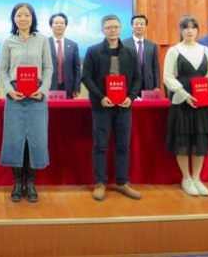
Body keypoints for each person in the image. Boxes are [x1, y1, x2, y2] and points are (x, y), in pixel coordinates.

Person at [82, 14, 143, 201]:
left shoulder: (130, 52)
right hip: (102, 107)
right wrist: (101, 97)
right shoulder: (93, 51)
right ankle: (100, 182)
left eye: (115, 27)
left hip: (124, 107)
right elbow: (86, 77)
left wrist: (131, 98)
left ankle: (123, 182)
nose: (112, 30)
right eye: (108, 27)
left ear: (121, 28)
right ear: (102, 30)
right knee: (100, 146)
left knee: (123, 146)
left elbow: (137, 77)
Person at [0, 2, 53, 203]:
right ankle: (16, 183)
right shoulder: (8, 41)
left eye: (26, 15)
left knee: (35, 140)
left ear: (33, 18)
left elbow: (48, 68)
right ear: (14, 18)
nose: (23, 18)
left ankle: (30, 183)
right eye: (19, 15)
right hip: (15, 96)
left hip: (37, 96)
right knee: (15, 140)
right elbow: (3, 70)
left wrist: (43, 90)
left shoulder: (42, 40)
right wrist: (9, 91)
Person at [163, 14, 208, 197]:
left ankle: (197, 178)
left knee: (199, 140)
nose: (190, 31)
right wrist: (183, 94)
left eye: (193, 27)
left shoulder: (205, 50)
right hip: (183, 101)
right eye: (186, 27)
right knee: (183, 140)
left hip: (203, 101)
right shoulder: (174, 51)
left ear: (197, 30)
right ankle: (186, 178)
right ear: (180, 30)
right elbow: (167, 77)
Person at [122, 14, 161, 94]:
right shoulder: (123, 44)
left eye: (142, 24)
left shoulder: (152, 45)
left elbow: (155, 67)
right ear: (132, 26)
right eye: (136, 24)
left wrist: (157, 86)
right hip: (130, 84)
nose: (139, 26)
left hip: (148, 84)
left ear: (146, 27)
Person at [48, 13, 82, 99]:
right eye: (56, 23)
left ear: (66, 26)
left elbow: (77, 69)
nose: (59, 25)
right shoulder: (45, 43)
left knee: (66, 108)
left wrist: (77, 88)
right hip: (49, 86)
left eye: (62, 23)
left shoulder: (73, 45)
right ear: (51, 25)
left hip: (68, 87)